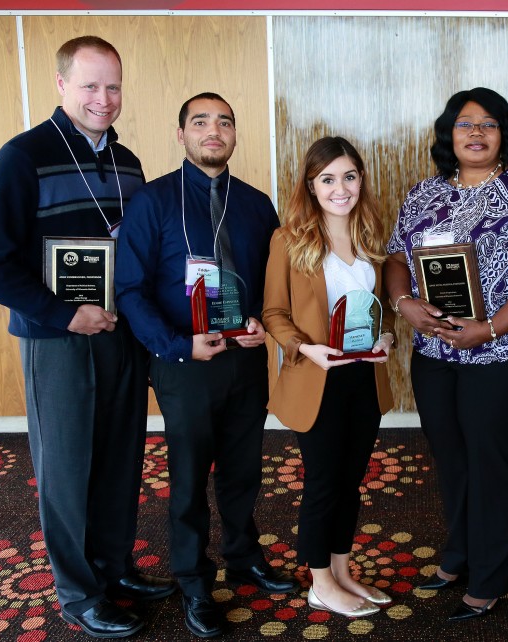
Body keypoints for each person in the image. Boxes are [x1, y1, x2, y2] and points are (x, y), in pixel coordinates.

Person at [0, 36, 174, 639]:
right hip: (57, 342)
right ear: (60, 85)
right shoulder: (21, 157)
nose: (102, 99)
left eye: (112, 86)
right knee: (67, 465)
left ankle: (112, 567)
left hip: (122, 336)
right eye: (89, 85)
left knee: (118, 457)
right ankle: (78, 592)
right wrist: (61, 313)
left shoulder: (128, 163)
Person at [115, 92, 295, 638]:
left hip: (245, 358)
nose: (213, 131)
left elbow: (274, 280)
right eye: (200, 122)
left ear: (235, 135)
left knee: (243, 471)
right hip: (185, 362)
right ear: (182, 135)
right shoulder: (152, 202)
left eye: (224, 122)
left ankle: (243, 555)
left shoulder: (257, 204)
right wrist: (176, 345)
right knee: (190, 477)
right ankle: (193, 579)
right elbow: (129, 290)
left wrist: (269, 319)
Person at [384, 87, 508, 621]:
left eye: (489, 123)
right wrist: (404, 303)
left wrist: (489, 328)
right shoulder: (423, 194)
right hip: (436, 353)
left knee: (492, 460)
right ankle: (459, 554)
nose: (477, 133)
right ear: (449, 134)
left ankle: (491, 575)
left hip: (505, 353)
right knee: (452, 457)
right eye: (465, 124)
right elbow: (396, 258)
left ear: (505, 133)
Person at [262, 136, 395, 618]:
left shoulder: (371, 235)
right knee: (323, 482)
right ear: (311, 186)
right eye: (328, 179)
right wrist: (304, 347)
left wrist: (386, 339)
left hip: (363, 379)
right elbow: (274, 312)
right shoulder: (289, 239)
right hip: (317, 379)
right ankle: (319, 582)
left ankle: (342, 572)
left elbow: (383, 313)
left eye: (349, 176)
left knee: (352, 481)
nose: (341, 188)